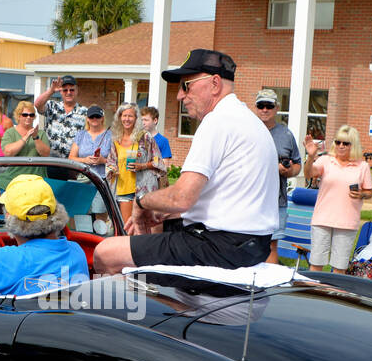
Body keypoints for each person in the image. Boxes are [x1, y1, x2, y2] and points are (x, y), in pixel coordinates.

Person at [93, 49, 278, 274]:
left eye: (185, 86)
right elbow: (226, 198)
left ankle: (133, 307)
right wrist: (165, 212)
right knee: (158, 229)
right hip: (251, 246)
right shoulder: (250, 121)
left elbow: (181, 197)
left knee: (106, 252)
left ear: (215, 84)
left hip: (220, 246)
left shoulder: (217, 121)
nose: (180, 95)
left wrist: (142, 203)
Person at [303, 124, 372, 271]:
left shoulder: (363, 166)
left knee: (339, 267)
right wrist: (310, 157)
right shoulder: (326, 160)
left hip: (347, 222)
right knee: (316, 263)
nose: (341, 146)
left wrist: (361, 194)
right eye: (338, 142)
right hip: (322, 219)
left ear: (353, 145)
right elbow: (308, 174)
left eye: (345, 143)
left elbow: (369, 192)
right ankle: (313, 292)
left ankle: (334, 294)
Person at [253, 89, 302, 262]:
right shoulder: (247, 130)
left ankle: (268, 287)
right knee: (246, 243)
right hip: (250, 199)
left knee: (271, 245)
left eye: (269, 106)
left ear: (277, 108)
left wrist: (288, 171)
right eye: (261, 105)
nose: (265, 109)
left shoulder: (286, 134)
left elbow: (297, 165)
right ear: (256, 107)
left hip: (276, 201)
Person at [104, 102, 157, 225]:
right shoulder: (116, 138)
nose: (127, 119)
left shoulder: (145, 137)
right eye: (124, 115)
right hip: (124, 188)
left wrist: (142, 166)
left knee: (144, 228)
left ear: (136, 118)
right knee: (128, 228)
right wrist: (112, 170)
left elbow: (158, 161)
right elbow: (111, 161)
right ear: (119, 117)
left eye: (130, 116)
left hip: (143, 189)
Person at [33, 74, 87, 179]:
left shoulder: (84, 112)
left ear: (77, 91)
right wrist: (51, 91)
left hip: (71, 165)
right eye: (65, 90)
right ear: (61, 91)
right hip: (50, 162)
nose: (68, 93)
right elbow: (37, 104)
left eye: (72, 90)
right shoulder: (52, 106)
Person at [0, 100, 51, 189]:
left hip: (35, 183)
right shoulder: (10, 133)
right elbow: (8, 152)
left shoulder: (40, 134)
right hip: (11, 182)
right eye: (25, 115)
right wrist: (25, 137)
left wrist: (35, 137)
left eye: (31, 115)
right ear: (18, 116)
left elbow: (45, 154)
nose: (28, 117)